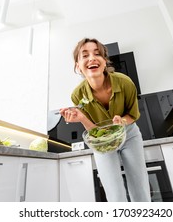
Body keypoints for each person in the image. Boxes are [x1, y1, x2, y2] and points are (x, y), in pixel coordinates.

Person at [59, 38, 151, 202]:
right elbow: (95, 130)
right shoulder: (77, 95)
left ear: (104, 61)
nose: (92, 58)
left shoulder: (125, 83)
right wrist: (80, 118)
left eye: (97, 54)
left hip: (128, 134)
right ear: (77, 65)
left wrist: (122, 121)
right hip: (101, 141)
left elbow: (133, 115)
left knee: (140, 186)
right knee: (113, 190)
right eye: (85, 55)